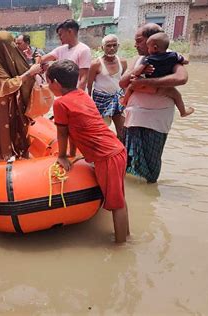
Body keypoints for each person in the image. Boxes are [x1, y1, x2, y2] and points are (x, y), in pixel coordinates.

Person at [47, 60, 129, 243]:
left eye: (48, 82)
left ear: (55, 83)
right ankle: (126, 237)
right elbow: (76, 128)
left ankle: (121, 247)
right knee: (120, 200)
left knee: (117, 204)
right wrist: (73, 152)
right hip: (116, 150)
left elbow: (63, 132)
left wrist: (61, 156)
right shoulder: (83, 96)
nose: (47, 86)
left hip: (107, 157)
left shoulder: (60, 104)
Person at [119, 23, 189, 183]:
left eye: (139, 41)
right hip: (133, 118)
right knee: (127, 162)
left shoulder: (169, 57)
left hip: (156, 120)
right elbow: (123, 82)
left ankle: (149, 194)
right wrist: (139, 72)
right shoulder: (140, 59)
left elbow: (181, 78)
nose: (135, 45)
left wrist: (148, 84)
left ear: (153, 42)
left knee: (151, 165)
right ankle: (134, 195)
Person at [0, 31, 43, 160]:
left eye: (13, 43)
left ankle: (23, 167)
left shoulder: (13, 56)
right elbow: (6, 85)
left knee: (22, 135)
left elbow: (23, 72)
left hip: (17, 103)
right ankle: (2, 169)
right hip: (2, 106)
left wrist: (34, 69)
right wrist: (29, 73)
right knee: (4, 139)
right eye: (9, 44)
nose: (12, 46)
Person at [121, 32, 194, 118]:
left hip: (144, 87)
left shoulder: (149, 59)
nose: (136, 45)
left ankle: (124, 102)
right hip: (158, 89)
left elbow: (136, 72)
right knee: (176, 94)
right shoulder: (174, 56)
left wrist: (141, 74)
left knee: (130, 87)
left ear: (154, 47)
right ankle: (183, 111)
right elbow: (186, 61)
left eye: (140, 41)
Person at [87, 34, 127, 141]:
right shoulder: (95, 64)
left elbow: (123, 82)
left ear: (118, 46)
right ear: (102, 47)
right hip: (101, 101)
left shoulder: (122, 62)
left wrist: (127, 99)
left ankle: (121, 155)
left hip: (118, 99)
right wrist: (89, 106)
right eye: (108, 46)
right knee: (100, 132)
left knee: (123, 131)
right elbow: (89, 86)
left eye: (114, 45)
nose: (112, 48)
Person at [41, 19, 92, 90]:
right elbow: (43, 59)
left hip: (75, 93)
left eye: (60, 34)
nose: (60, 38)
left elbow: (83, 78)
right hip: (62, 92)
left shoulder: (83, 50)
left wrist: (77, 97)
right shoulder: (61, 49)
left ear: (70, 31)